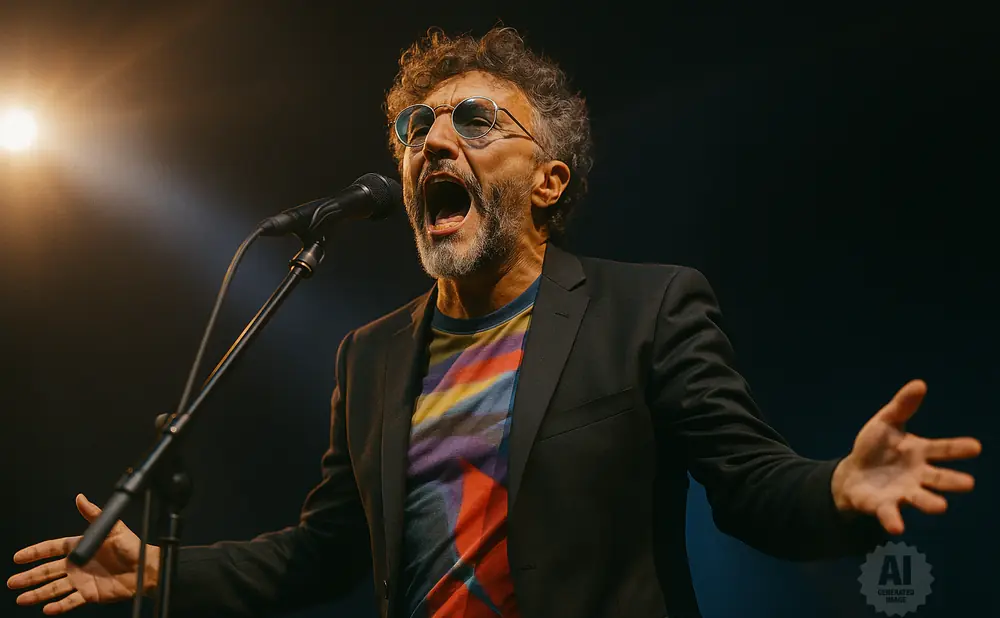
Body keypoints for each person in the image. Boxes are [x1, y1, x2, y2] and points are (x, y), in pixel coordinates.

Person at [8, 26, 982, 618]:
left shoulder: (647, 309)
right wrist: (160, 575)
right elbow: (325, 552)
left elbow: (749, 485)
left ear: (548, 180)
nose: (433, 138)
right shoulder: (372, 355)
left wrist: (841, 496)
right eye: (413, 128)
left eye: (473, 122)